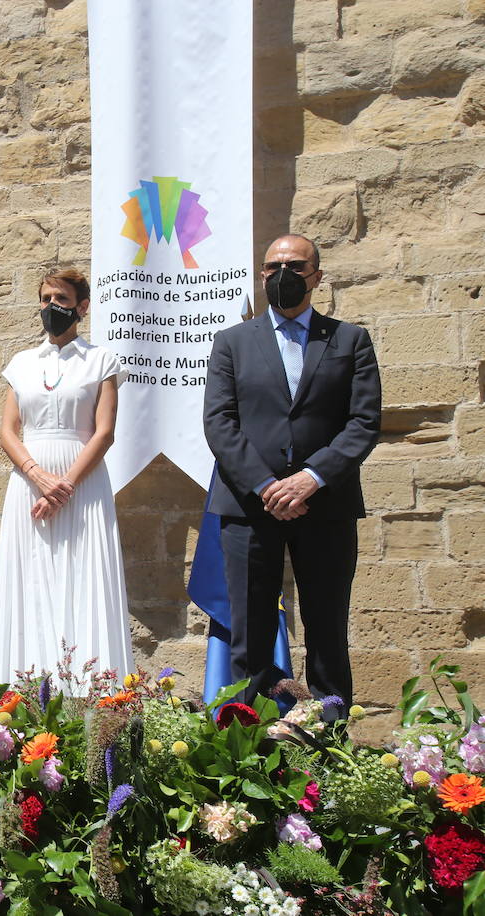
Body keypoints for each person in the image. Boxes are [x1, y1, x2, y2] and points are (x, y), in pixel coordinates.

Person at [203, 234, 381, 716]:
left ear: (316, 277)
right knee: (249, 636)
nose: (281, 274)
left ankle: (330, 750)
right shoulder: (232, 343)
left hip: (325, 506)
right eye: (271, 266)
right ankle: (247, 752)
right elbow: (220, 424)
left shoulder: (350, 340)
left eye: (295, 266)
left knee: (326, 633)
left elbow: (363, 422)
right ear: (261, 276)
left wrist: (310, 478)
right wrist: (267, 485)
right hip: (247, 506)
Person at [0, 269, 132, 687]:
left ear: (82, 307)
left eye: (60, 298)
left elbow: (104, 432)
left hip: (84, 485)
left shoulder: (102, 361)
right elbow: (8, 431)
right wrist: (39, 476)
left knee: (82, 578)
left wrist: (64, 486)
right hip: (29, 482)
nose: (50, 307)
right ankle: (23, 687)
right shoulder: (22, 363)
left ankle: (88, 690)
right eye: (44, 298)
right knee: (30, 577)